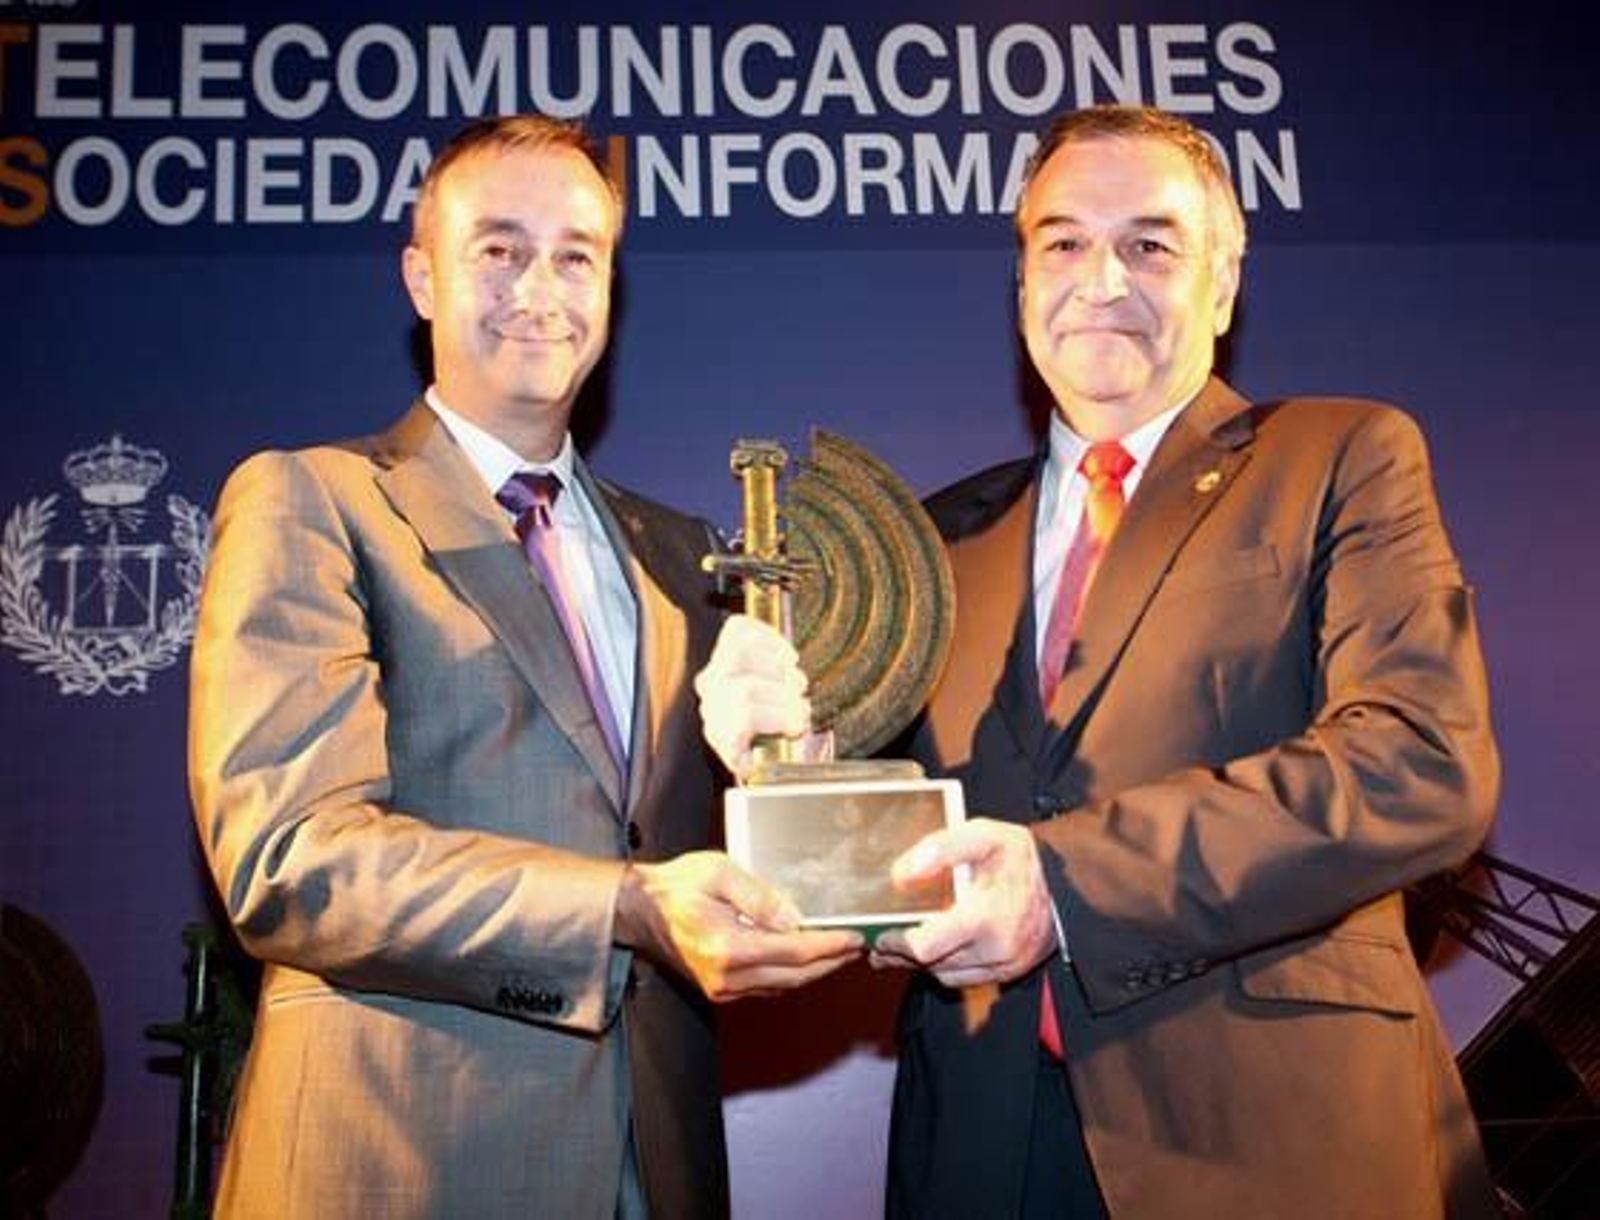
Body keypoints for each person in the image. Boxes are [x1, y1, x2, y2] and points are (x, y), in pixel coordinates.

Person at [697, 105, 1500, 1217]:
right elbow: (897, 851)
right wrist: (798, 761)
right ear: (1024, 282)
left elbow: (1419, 763)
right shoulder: (934, 543)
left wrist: (1063, 883)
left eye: (1149, 244)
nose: (1100, 278)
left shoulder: (1339, 455)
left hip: (1270, 1135)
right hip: (982, 1142)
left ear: (1223, 282)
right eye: (1063, 241)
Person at [187, 115, 862, 1219]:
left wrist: (792, 786)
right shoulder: (312, 500)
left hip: (655, 1164)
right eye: (499, 249)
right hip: (400, 1167)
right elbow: (290, 859)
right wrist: (624, 907)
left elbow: (688, 852)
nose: (540, 290)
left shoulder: (683, 553)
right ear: (423, 277)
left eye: (576, 256)